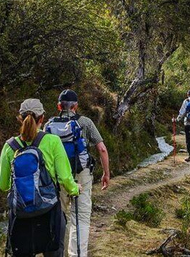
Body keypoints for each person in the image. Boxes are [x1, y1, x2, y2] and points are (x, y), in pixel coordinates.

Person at [0, 99, 80, 257]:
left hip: (20, 214)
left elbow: (2, 184)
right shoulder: (52, 141)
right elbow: (65, 178)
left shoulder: (9, 146)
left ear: (20, 119)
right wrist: (75, 189)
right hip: (49, 212)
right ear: (42, 118)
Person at [45, 89, 110, 257]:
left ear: (59, 106)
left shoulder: (49, 125)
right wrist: (106, 173)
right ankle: (77, 254)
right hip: (82, 174)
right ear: (76, 106)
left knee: (61, 217)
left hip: (59, 178)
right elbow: (102, 149)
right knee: (80, 217)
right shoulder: (85, 122)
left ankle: (60, 253)